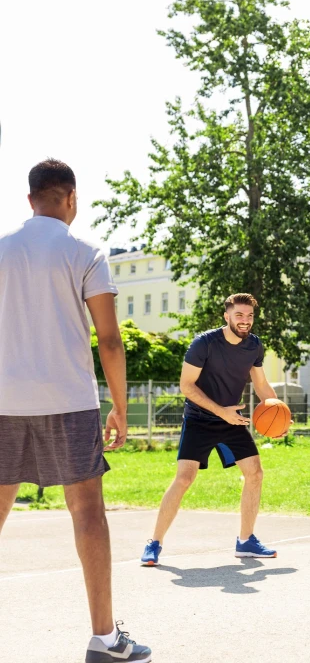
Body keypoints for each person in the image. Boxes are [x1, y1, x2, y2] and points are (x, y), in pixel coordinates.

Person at [0, 159, 151, 663]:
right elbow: (109, 340)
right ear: (71, 198)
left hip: (4, 400)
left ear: (30, 200)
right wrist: (120, 408)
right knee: (87, 512)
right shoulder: (86, 252)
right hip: (68, 401)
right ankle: (104, 641)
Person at [141, 293, 287, 566]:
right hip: (199, 419)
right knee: (184, 478)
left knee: (255, 473)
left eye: (250, 316)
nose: (245, 320)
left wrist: (279, 414)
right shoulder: (204, 343)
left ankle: (246, 541)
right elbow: (186, 386)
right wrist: (221, 411)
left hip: (231, 420)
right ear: (226, 316)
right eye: (239, 315)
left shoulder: (254, 345)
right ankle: (154, 542)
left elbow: (261, 384)